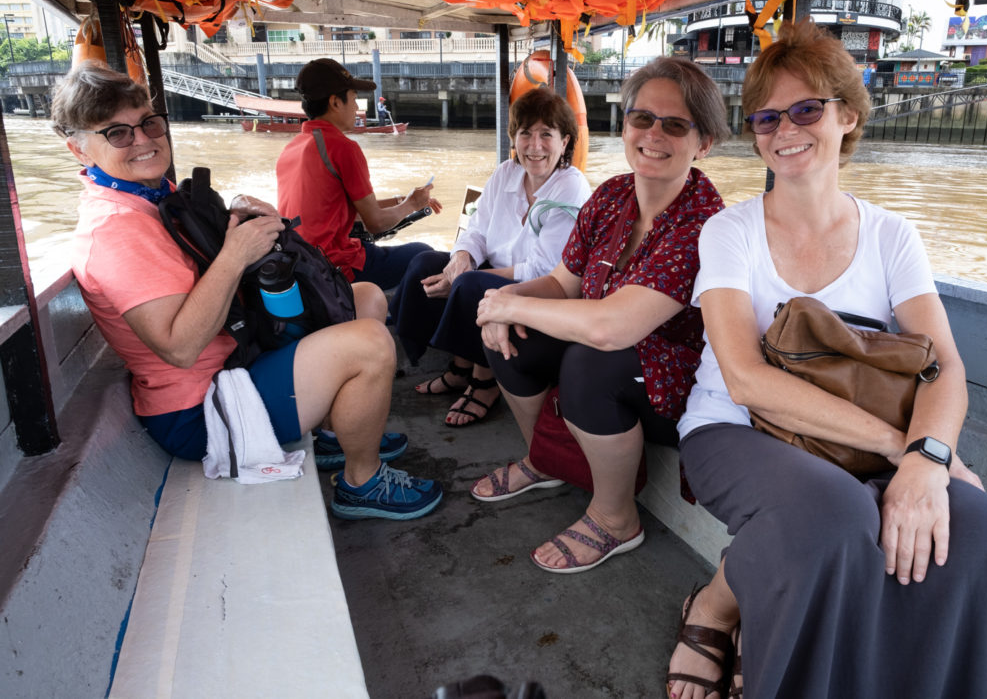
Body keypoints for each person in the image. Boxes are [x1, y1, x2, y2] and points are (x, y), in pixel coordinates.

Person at [666, 20, 987, 699]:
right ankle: (730, 618)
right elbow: (745, 379)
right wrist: (903, 451)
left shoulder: (891, 235)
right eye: (765, 117)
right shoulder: (729, 231)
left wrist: (930, 457)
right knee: (830, 517)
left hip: (847, 442)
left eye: (806, 109)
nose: (783, 128)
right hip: (734, 428)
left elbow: (942, 366)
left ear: (846, 115)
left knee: (982, 530)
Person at [58, 60, 442, 521]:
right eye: (117, 133)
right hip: (203, 409)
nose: (143, 140)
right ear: (80, 150)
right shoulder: (117, 229)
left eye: (148, 123)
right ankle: (363, 482)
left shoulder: (146, 199)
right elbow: (179, 348)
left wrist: (232, 219)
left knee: (366, 298)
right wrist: (234, 254)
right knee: (372, 343)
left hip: (234, 361)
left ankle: (341, 434)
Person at [470, 58, 729, 573]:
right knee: (510, 332)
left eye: (675, 124)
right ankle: (544, 457)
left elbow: (615, 328)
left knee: (590, 359)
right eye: (642, 119)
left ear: (703, 143)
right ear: (625, 124)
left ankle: (616, 519)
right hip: (611, 350)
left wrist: (510, 301)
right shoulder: (610, 196)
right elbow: (563, 285)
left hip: (673, 382)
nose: (654, 134)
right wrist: (502, 304)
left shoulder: (704, 222)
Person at [391, 87, 591, 427]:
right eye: (525, 133)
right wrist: (461, 260)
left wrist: (465, 280)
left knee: (473, 286)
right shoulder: (505, 174)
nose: (535, 145)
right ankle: (458, 368)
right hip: (492, 273)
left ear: (565, 141)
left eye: (547, 134)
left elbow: (543, 270)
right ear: (514, 137)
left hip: (542, 291)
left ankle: (484, 384)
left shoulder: (571, 188)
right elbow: (476, 231)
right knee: (425, 263)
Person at [276, 58, 442, 293]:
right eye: (354, 99)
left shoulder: (292, 147)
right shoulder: (342, 147)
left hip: (301, 265)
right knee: (424, 255)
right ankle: (399, 322)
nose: (357, 108)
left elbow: (339, 209)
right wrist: (412, 204)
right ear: (335, 102)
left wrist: (403, 201)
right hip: (334, 266)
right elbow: (374, 223)